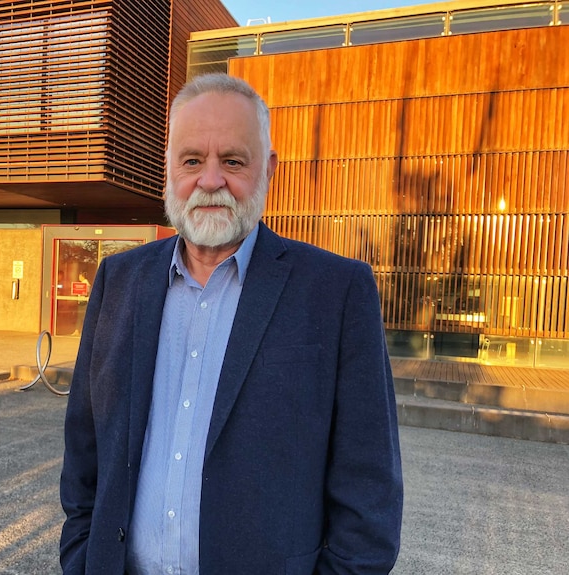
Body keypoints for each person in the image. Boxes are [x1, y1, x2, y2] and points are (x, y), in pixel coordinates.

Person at [60, 73, 403, 575]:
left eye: (234, 161)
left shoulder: (337, 292)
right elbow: (85, 447)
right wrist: (82, 557)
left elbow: (368, 493)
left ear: (268, 170)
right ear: (169, 169)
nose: (211, 180)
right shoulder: (119, 279)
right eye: (193, 160)